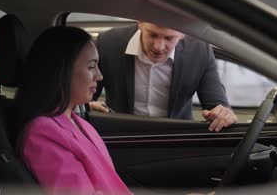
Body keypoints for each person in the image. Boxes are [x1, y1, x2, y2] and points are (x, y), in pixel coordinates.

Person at [16, 26, 131, 195]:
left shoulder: (77, 122)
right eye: (91, 66)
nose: (99, 75)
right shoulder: (43, 133)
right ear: (62, 70)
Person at [90, 21, 238, 132]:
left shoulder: (200, 51)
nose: (158, 47)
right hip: (120, 138)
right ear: (140, 23)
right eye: (153, 35)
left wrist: (223, 114)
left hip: (173, 140)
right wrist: (87, 106)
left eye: (169, 38)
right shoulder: (108, 43)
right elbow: (83, 97)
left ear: (182, 34)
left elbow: (216, 104)